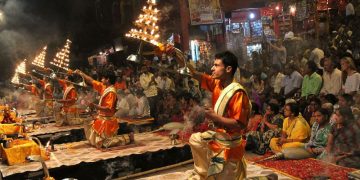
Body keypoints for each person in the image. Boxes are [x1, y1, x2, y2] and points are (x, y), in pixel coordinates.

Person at [187, 51, 251, 179]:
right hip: (218, 135)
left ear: (228, 69)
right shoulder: (217, 83)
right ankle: (203, 174)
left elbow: (239, 124)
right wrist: (177, 56)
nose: (212, 68)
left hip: (229, 142)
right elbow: (195, 75)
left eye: (216, 65)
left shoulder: (238, 93)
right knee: (195, 139)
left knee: (220, 175)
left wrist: (214, 117)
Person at [74, 69, 133, 148]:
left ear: (107, 79)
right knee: (88, 124)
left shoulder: (111, 92)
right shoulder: (104, 86)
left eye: (102, 78)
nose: (101, 80)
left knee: (104, 143)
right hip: (102, 118)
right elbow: (92, 81)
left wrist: (94, 106)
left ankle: (127, 137)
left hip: (107, 120)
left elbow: (108, 108)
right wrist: (81, 73)